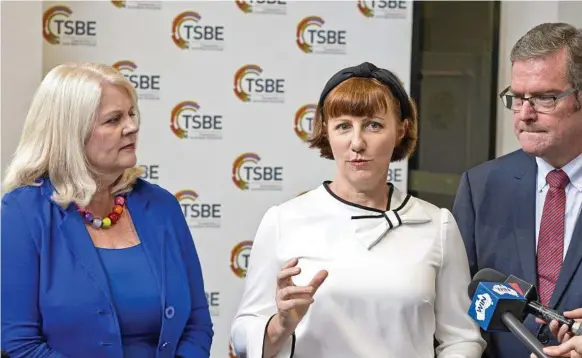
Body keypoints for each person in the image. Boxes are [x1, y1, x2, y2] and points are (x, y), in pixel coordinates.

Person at [230, 62, 486, 357]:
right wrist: (281, 324)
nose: (357, 143)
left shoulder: (436, 225)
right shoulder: (283, 220)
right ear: (326, 133)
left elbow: (462, 338)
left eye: (373, 125)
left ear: (402, 130)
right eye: (343, 126)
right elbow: (242, 334)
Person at [0, 62, 213, 358]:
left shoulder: (162, 206)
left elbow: (197, 322)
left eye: (131, 114)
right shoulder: (23, 213)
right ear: (71, 134)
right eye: (113, 120)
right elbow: (19, 344)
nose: (132, 127)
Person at [453, 22, 582, 358]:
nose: (524, 114)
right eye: (517, 98)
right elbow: (456, 310)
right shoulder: (480, 186)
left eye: (544, 98)